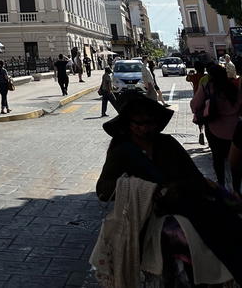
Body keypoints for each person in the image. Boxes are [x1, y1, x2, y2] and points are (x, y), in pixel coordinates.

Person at [95, 89, 242, 284]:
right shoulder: (122, 151)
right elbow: (103, 190)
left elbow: (194, 176)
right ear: (129, 124)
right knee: (177, 237)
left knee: (227, 227)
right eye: (140, 123)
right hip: (148, 215)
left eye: (150, 122)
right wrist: (142, 189)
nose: (146, 128)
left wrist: (183, 188)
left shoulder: (168, 143)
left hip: (185, 204)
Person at [190, 62, 242, 189]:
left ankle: (222, 185)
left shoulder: (207, 87)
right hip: (235, 129)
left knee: (218, 159)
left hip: (214, 129)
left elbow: (194, 105)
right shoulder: (233, 86)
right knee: (236, 161)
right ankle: (236, 188)